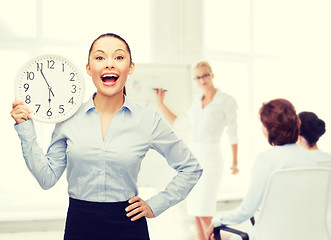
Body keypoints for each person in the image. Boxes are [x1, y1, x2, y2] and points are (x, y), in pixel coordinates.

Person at [10, 33, 203, 240]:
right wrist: (25, 128)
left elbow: (191, 168)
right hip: (80, 226)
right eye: (100, 57)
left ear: (130, 68)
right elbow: (46, 178)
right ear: (88, 68)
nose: (109, 64)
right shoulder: (68, 119)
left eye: (119, 57)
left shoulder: (147, 120)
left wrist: (155, 205)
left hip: (129, 226)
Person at [206, 98, 317, 240]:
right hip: (305, 234)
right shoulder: (311, 160)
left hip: (270, 235)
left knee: (215, 234)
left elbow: (246, 210)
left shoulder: (266, 159)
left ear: (268, 129)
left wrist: (216, 221)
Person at [155, 61, 239, 240]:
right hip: (193, 158)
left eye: (206, 75)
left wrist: (235, 161)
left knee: (205, 211)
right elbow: (179, 123)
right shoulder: (196, 102)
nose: (203, 79)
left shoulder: (226, 101)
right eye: (198, 77)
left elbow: (233, 131)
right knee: (196, 212)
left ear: (212, 75)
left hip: (211, 159)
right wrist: (161, 103)